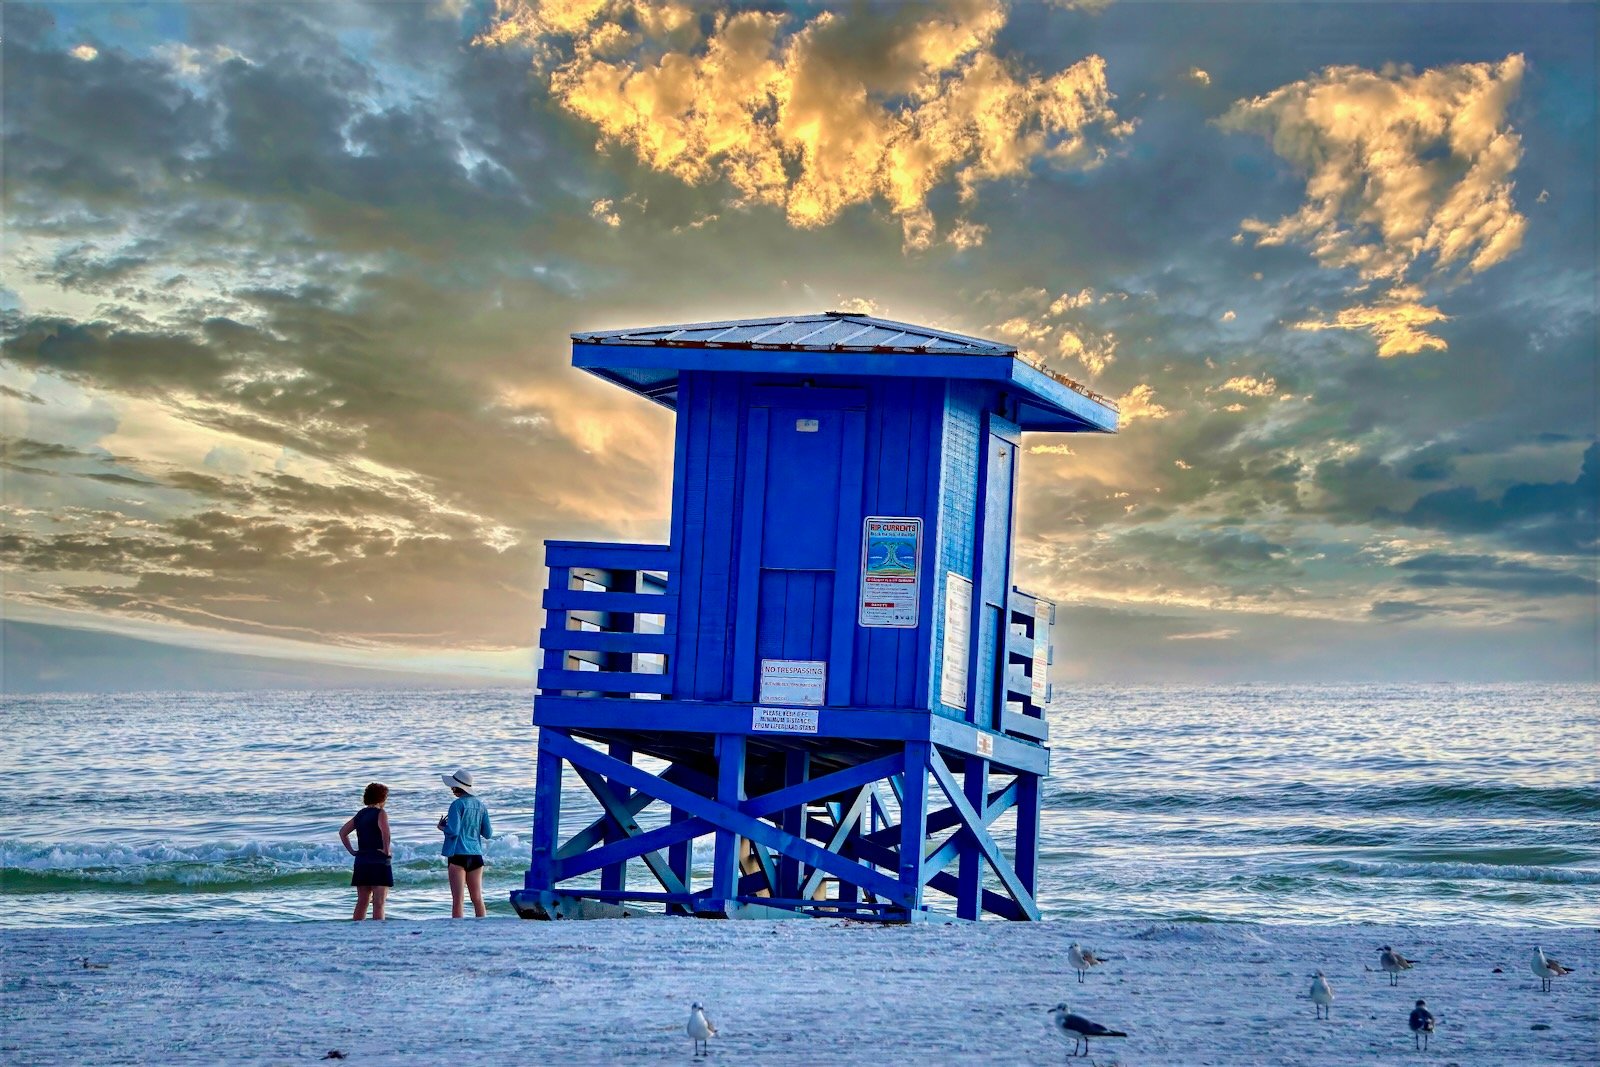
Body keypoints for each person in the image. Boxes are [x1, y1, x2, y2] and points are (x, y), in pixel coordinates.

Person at [437, 769, 493, 918]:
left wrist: (442, 827)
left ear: (457, 787)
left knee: (458, 900)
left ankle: (457, 930)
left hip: (458, 855)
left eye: (452, 786)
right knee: (477, 898)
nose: (451, 789)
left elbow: (453, 831)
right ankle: (482, 927)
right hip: (476, 855)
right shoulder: (481, 806)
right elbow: (488, 833)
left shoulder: (456, 805)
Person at [339, 782, 393, 920]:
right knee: (379, 902)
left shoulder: (360, 814)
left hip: (362, 860)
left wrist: (352, 851)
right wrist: (386, 850)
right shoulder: (380, 813)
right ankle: (378, 931)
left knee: (362, 901)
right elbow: (385, 833)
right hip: (378, 860)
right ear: (382, 798)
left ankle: (357, 929)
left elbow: (343, 832)